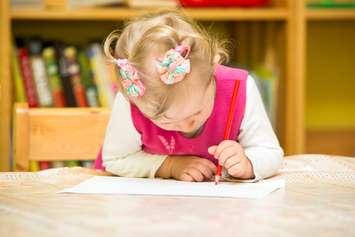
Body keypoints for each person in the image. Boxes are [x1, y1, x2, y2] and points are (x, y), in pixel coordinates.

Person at [96, 11, 283, 182]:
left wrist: (248, 163)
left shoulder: (238, 88)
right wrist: (169, 166)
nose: (186, 126)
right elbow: (115, 160)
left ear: (212, 72)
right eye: (167, 121)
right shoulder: (135, 97)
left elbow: (270, 152)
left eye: (197, 112)